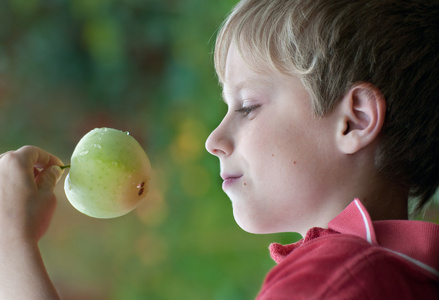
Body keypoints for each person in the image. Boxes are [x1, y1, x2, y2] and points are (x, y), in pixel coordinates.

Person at [0, 0, 438, 299]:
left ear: (355, 119)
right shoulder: (407, 273)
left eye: (247, 107)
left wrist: (10, 250)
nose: (213, 140)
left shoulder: (330, 283)